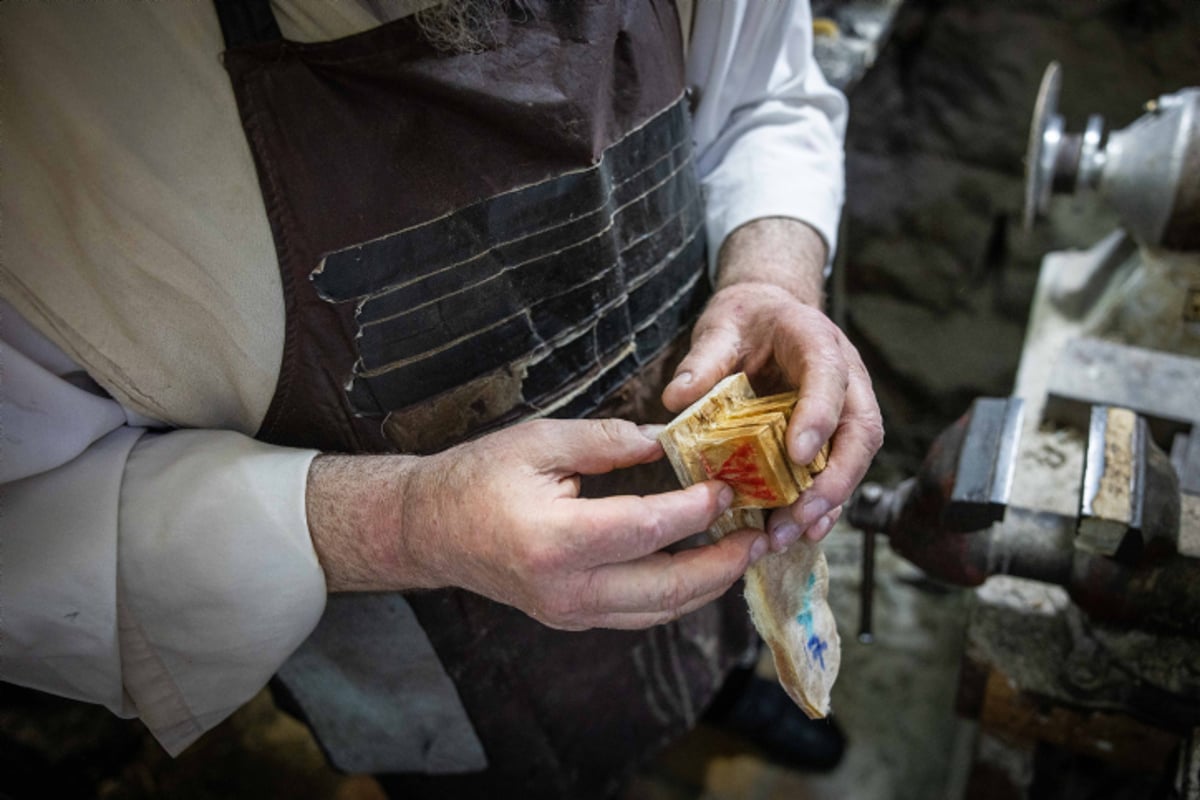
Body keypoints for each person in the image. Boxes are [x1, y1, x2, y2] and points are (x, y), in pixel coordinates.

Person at [0, 0, 882, 796]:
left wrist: (773, 277)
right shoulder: (52, 93)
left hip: (707, 522)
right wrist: (403, 525)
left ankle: (711, 691)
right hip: (428, 661)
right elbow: (24, 521)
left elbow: (769, 96)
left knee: (717, 622)